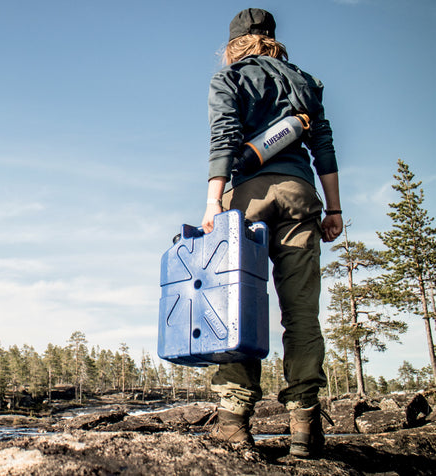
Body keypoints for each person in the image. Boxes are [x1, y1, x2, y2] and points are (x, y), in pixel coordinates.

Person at [201, 8, 343, 458]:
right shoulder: (305, 81)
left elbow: (224, 136)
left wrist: (212, 201)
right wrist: (335, 207)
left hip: (248, 200)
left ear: (235, 42)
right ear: (272, 39)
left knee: (235, 304)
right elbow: (323, 147)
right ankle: (305, 424)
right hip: (301, 194)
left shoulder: (232, 78)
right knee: (301, 310)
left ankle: (233, 421)